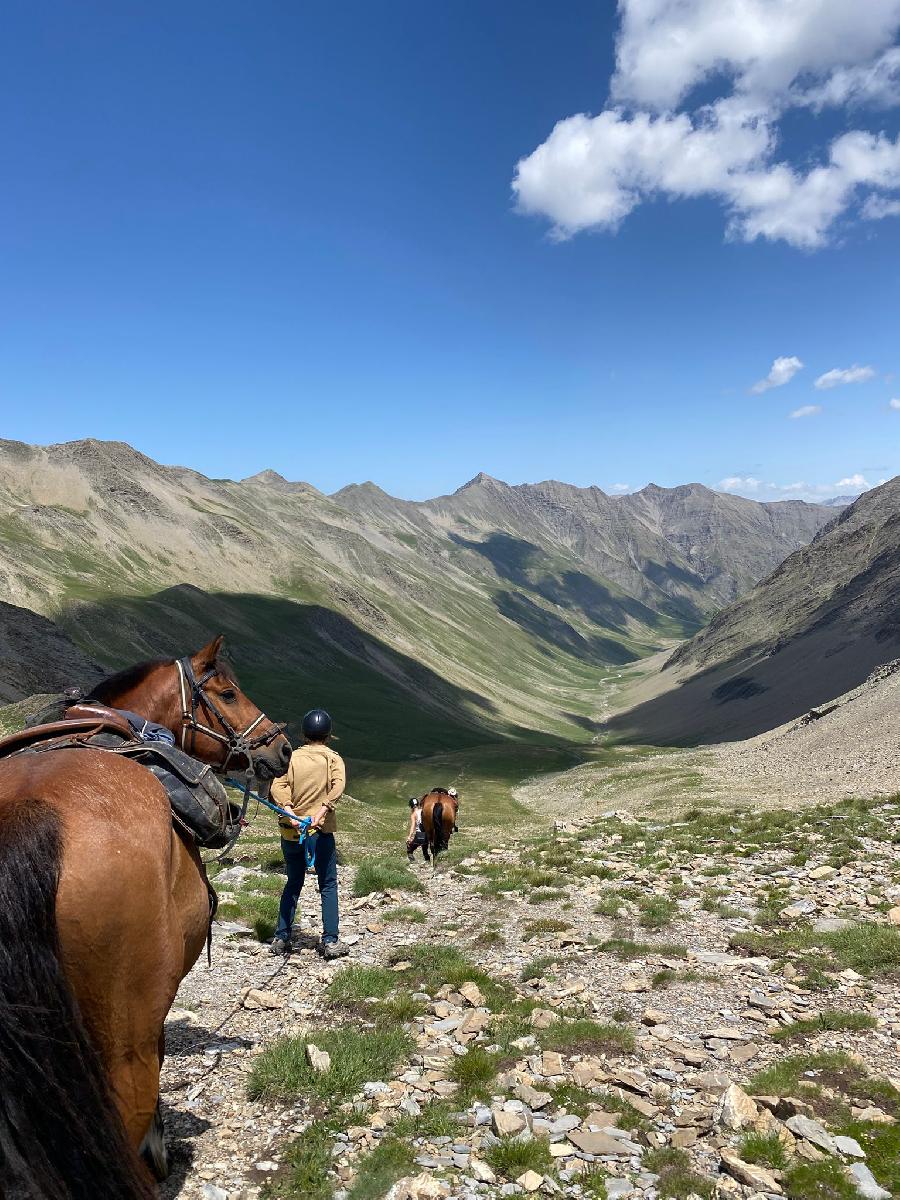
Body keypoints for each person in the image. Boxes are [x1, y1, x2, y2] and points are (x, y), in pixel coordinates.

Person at [269, 708, 348, 959]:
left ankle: (281, 937)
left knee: (293, 882)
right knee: (327, 884)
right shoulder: (333, 758)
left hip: (291, 833)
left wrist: (289, 809)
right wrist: (324, 808)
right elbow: (338, 784)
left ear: (304, 733)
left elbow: (277, 785)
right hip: (320, 832)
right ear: (328, 733)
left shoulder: (291, 758)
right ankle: (330, 940)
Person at [406, 796, 429, 863]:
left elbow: (413, 826)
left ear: (411, 806)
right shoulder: (423, 811)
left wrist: (409, 837)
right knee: (425, 851)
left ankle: (413, 863)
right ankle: (428, 864)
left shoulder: (413, 814)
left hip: (419, 835)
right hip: (426, 835)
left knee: (409, 850)